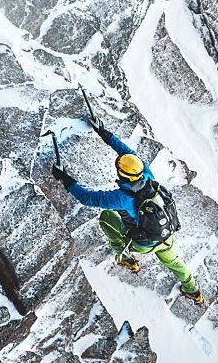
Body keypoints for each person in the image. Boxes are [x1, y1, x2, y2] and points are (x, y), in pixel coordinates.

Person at [50, 116, 204, 304]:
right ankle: (193, 291)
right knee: (174, 262)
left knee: (107, 217)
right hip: (165, 235)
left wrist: (64, 178)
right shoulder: (146, 175)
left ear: (121, 174)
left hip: (144, 244)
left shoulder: (121, 198)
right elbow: (126, 152)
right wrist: (103, 133)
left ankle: (126, 257)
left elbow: (87, 198)